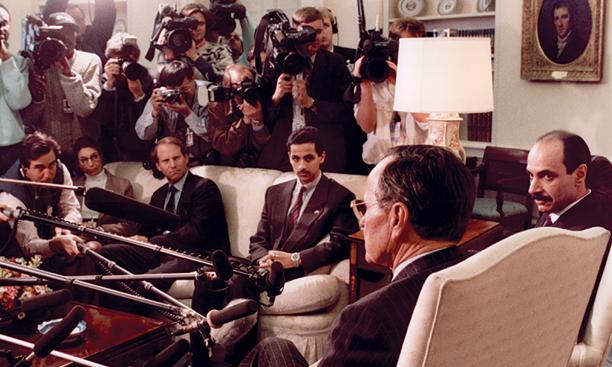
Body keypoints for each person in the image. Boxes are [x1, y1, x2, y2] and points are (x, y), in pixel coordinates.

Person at [239, 144, 475, 367]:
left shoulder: (367, 320)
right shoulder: (478, 270)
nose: (361, 222)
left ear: (397, 218)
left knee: (268, 351)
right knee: (275, 347)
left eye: (366, 207)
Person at [94, 137, 230, 290]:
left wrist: (154, 241)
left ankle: (129, 311)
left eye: (176, 158)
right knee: (104, 254)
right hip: (161, 251)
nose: (172, 165)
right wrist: (141, 238)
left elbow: (196, 233)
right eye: (166, 161)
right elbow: (146, 229)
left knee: (145, 284)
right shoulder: (159, 194)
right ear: (158, 166)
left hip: (195, 254)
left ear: (186, 157)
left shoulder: (205, 188)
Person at [257, 7, 353, 173]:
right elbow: (261, 117)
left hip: (324, 154)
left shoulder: (335, 62)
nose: (316, 37)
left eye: (318, 31)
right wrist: (276, 97)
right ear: (294, 32)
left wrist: (312, 103)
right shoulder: (276, 62)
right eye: (308, 32)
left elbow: (346, 111)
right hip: (282, 154)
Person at [20, 12, 102, 174]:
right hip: (47, 154)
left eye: (70, 31)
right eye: (57, 32)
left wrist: (68, 74)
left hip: (83, 152)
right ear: (46, 35)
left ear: (76, 34)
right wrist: (37, 93)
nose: (65, 37)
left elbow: (85, 109)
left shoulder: (89, 61)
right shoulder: (34, 62)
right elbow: (27, 118)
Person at [353, 17, 429, 166]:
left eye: (412, 47)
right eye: (401, 47)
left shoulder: (427, 79)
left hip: (417, 163)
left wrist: (403, 83)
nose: (405, 52)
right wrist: (365, 84)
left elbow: (427, 121)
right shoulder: (374, 74)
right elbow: (367, 126)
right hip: (380, 162)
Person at [0, 132, 83, 261]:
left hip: (57, 246)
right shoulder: (10, 197)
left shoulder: (60, 169)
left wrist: (67, 225)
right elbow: (29, 246)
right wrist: (56, 244)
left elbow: (71, 207)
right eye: (40, 168)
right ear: (25, 169)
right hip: (21, 262)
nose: (48, 174)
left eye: (51, 165)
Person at [527, 130, 611, 231]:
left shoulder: (578, 235)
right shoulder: (558, 206)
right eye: (531, 175)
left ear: (580, 175)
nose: (532, 189)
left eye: (547, 176)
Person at [135, 60, 214, 165]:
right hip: (172, 162)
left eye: (184, 89)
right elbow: (143, 135)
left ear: (193, 79)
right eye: (174, 91)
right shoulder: (161, 96)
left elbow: (213, 135)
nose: (179, 95)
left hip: (204, 160)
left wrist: (188, 114)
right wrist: (154, 113)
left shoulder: (207, 93)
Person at [96, 32, 154, 162]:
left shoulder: (145, 77)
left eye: (128, 60)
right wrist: (109, 85)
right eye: (120, 60)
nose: (124, 65)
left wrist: (139, 95)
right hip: (111, 151)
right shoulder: (104, 80)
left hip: (141, 149)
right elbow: (101, 119)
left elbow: (152, 122)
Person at [72, 137, 137, 236]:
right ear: (78, 163)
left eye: (94, 157)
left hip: (106, 237)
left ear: (101, 156)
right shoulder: (72, 185)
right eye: (84, 160)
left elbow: (130, 225)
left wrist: (100, 230)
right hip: (76, 234)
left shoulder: (122, 185)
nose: (90, 163)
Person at [208, 64, 270, 167]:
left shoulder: (261, 100)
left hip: (260, 164)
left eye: (248, 84)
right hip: (230, 166)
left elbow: (266, 147)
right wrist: (245, 121)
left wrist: (257, 120)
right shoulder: (218, 106)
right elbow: (224, 146)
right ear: (228, 87)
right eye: (237, 86)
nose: (243, 90)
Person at [0, 3, 32, 175]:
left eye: (4, 23)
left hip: (11, 147)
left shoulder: (19, 62)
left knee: (11, 198)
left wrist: (5, 58)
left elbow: (19, 101)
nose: (0, 28)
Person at [43, 0, 117, 65]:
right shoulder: (52, 43)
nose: (74, 24)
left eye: (78, 20)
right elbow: (52, 10)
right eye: (68, 21)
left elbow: (106, 13)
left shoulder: (95, 38)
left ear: (84, 23)